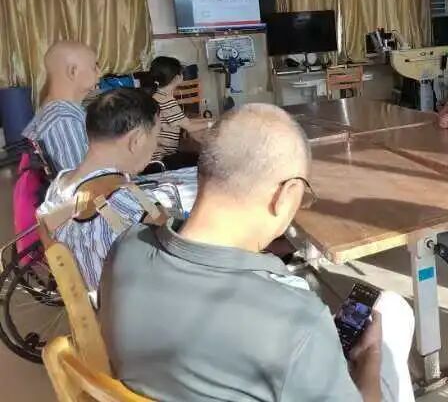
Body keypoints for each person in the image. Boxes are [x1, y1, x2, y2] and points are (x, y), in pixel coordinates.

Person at [98, 104, 415, 402]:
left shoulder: (127, 247)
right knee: (393, 310)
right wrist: (370, 359)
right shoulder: (295, 319)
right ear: (285, 195)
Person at [36, 88, 164, 290]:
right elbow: (183, 254)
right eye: (157, 136)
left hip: (93, 304)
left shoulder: (58, 186)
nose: (157, 144)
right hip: (134, 306)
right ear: (136, 140)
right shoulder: (134, 203)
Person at [22, 41, 100, 173]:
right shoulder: (64, 120)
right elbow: (82, 180)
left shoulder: (55, 112)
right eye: (94, 67)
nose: (100, 73)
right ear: (73, 71)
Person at [140, 56, 206, 170]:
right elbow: (189, 126)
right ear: (176, 78)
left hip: (153, 156)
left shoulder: (157, 96)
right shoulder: (166, 101)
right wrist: (213, 123)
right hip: (160, 159)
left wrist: (208, 121)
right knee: (202, 161)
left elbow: (185, 121)